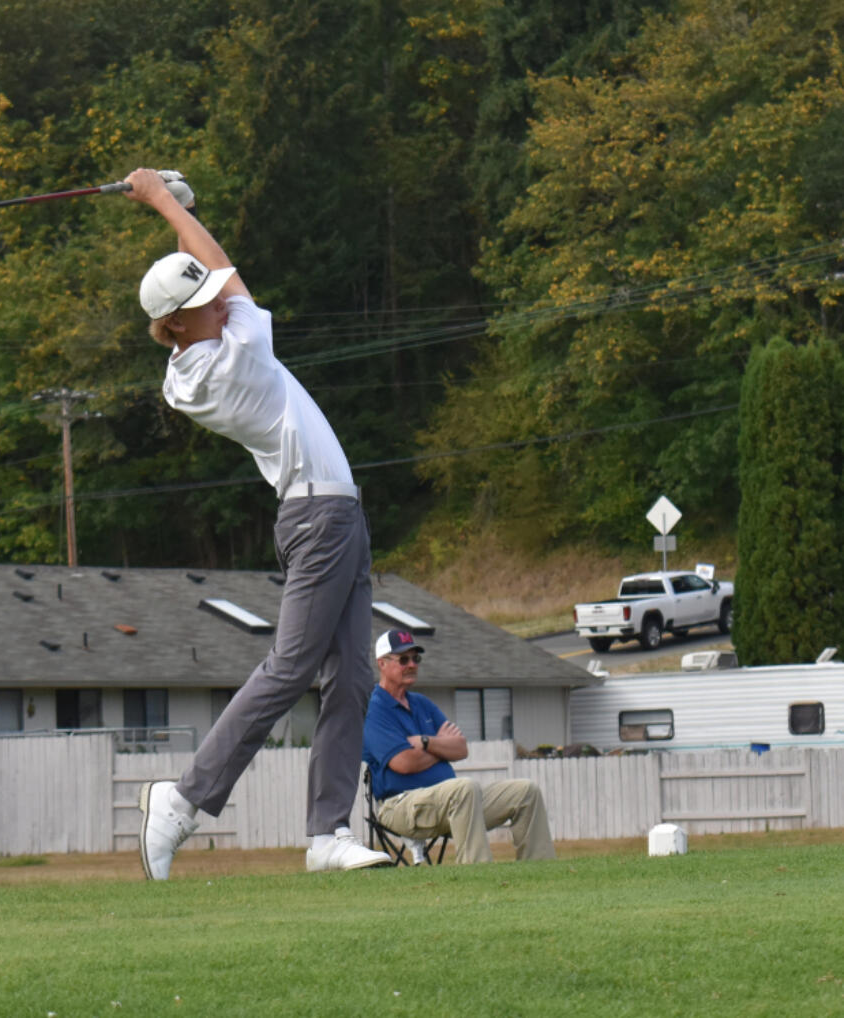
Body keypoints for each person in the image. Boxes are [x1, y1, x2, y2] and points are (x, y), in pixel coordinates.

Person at [126, 167, 389, 878]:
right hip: (320, 515)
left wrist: (172, 209)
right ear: (177, 324)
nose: (218, 302)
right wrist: (160, 203)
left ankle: (327, 833)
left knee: (354, 678)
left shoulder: (190, 362)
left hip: (334, 512)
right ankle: (183, 800)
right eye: (203, 303)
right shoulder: (236, 352)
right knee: (292, 667)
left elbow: (211, 274)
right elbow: (225, 272)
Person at [362, 629, 556, 863]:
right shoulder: (375, 709)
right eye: (404, 659)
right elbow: (403, 762)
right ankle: (477, 876)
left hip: (454, 802)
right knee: (464, 788)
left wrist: (425, 743)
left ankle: (540, 871)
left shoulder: (421, 703)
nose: (412, 664)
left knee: (526, 792)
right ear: (382, 664)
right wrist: (441, 748)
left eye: (416, 659)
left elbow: (461, 749)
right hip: (401, 805)